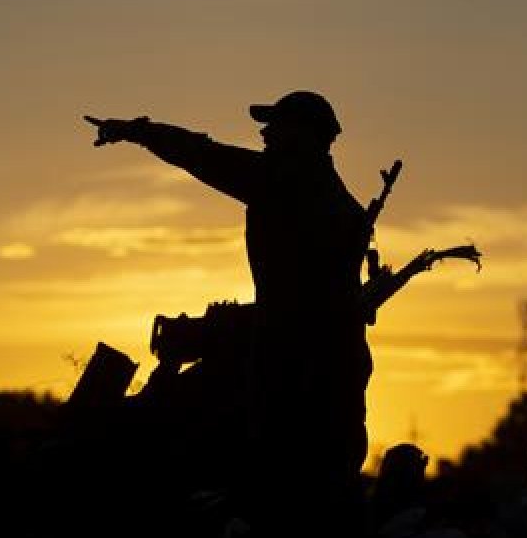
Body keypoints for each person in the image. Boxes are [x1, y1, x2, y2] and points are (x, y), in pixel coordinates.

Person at [86, 91, 371, 533]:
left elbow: (203, 155)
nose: (265, 133)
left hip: (295, 377)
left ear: (304, 136)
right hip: (332, 375)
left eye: (276, 125)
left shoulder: (284, 183)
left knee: (282, 500)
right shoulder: (344, 208)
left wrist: (138, 132)